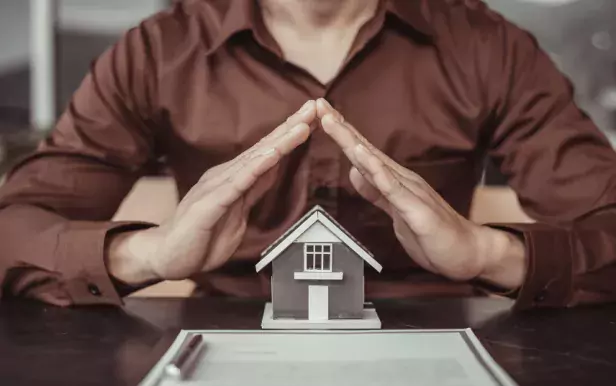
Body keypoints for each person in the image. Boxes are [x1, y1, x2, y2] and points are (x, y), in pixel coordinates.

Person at [0, 0, 615, 310]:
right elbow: (15, 228)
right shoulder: (158, 50)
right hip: (221, 341)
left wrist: (487, 251)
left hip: (444, 333)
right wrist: (150, 253)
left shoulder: (488, 47)